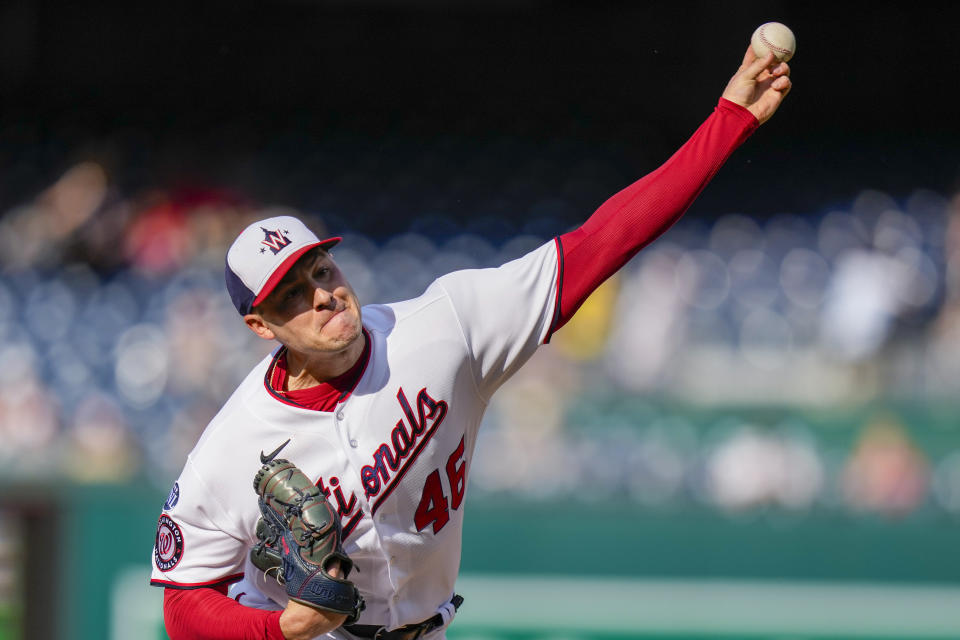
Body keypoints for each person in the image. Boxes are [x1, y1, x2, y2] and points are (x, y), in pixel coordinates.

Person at [150, 46, 792, 640]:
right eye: (290, 294)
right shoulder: (232, 446)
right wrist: (278, 631)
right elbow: (181, 602)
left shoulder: (443, 325)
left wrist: (729, 119)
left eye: (321, 271)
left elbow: (604, 240)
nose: (321, 295)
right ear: (259, 326)